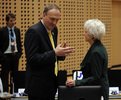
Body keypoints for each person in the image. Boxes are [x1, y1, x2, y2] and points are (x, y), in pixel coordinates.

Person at [24, 4, 75, 100]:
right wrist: (55, 53)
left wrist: (61, 53)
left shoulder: (54, 29)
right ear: (43, 15)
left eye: (57, 20)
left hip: (51, 83)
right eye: (52, 19)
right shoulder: (33, 31)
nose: (55, 22)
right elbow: (32, 59)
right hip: (38, 86)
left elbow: (50, 51)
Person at [66, 19, 109, 100]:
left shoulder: (96, 52)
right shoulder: (98, 47)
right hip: (97, 90)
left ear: (92, 35)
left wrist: (76, 82)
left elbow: (96, 78)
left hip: (98, 93)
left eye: (85, 32)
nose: (83, 34)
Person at [0, 13, 22, 92]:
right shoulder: (2, 31)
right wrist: (2, 57)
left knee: (14, 75)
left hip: (15, 55)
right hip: (6, 56)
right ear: (6, 21)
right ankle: (5, 92)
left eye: (14, 20)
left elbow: (19, 43)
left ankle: (14, 91)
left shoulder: (17, 30)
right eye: (11, 21)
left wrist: (19, 53)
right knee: (5, 75)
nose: (13, 22)